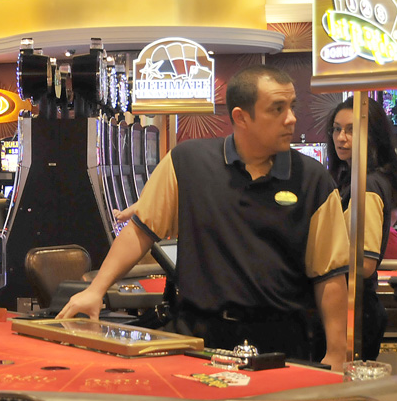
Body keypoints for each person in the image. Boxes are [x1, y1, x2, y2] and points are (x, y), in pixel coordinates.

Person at [57, 66, 350, 370]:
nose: (291, 118)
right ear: (241, 117)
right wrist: (96, 290)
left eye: (292, 107)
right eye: (277, 109)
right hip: (199, 338)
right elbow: (140, 231)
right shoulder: (187, 161)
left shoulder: (313, 179)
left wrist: (337, 352)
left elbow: (329, 274)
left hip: (282, 342)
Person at [325, 97, 397, 361]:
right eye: (337, 129)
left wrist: (317, 262)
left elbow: (366, 263)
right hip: (350, 307)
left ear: (373, 135)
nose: (341, 138)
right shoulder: (351, 178)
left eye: (351, 130)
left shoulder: (368, 185)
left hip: (357, 310)